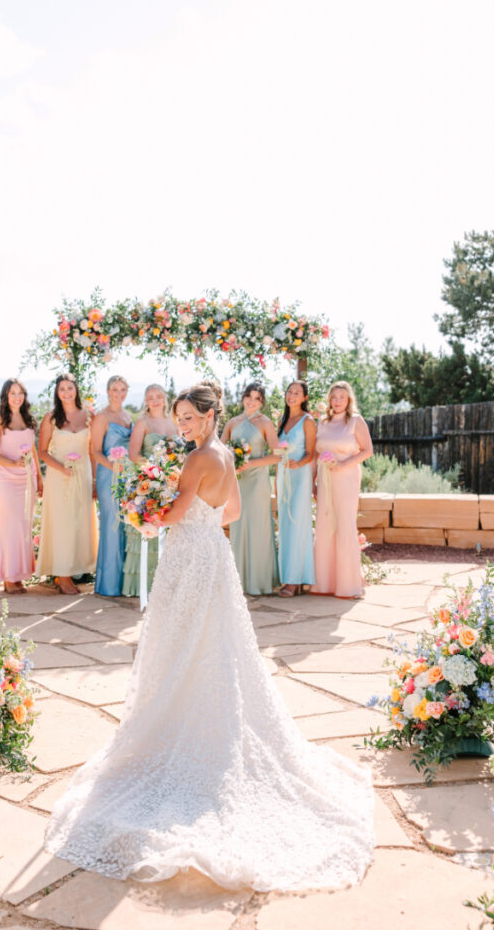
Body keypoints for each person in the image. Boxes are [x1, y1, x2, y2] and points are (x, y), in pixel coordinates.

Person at [45, 380, 374, 893]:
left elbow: (174, 514)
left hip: (188, 557)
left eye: (189, 418)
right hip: (213, 556)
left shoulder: (198, 459)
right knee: (213, 647)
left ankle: (184, 727)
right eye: (178, 417)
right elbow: (236, 513)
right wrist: (188, 517)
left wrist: (143, 513)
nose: (182, 425)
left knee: (181, 645)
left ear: (209, 415)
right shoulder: (222, 453)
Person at [35, 373, 98, 594]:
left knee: (80, 523)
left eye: (69, 388)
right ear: (57, 392)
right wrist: (61, 468)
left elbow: (92, 451)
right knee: (62, 524)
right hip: (58, 477)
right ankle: (62, 577)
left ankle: (76, 570)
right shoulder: (50, 418)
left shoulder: (90, 416)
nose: (66, 392)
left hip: (82, 476)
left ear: (76, 390)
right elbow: (42, 452)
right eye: (62, 389)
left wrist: (94, 481)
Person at [311, 380, 373, 599]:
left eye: (342, 397)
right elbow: (316, 454)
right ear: (329, 399)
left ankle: (347, 584)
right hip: (325, 479)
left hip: (346, 478)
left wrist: (343, 465)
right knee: (325, 524)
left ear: (348, 400)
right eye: (334, 397)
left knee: (345, 524)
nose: (337, 401)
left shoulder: (355, 421)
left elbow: (367, 450)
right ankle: (325, 583)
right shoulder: (323, 421)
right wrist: (313, 480)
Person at [220, 382, 279, 595]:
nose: (251, 401)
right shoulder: (232, 422)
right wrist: (231, 463)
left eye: (256, 398)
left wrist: (250, 463)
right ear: (243, 397)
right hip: (236, 480)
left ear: (262, 401)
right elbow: (220, 450)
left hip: (257, 481)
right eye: (248, 396)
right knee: (237, 524)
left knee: (257, 527)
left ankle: (259, 581)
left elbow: (277, 455)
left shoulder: (265, 423)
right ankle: (238, 581)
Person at [0, 378, 42, 595]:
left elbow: (33, 451)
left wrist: (39, 477)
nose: (17, 397)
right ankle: (9, 578)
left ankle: (20, 576)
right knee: (9, 528)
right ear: (5, 396)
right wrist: (12, 463)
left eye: (20, 393)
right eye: (12, 393)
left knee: (23, 528)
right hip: (5, 480)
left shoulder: (29, 420)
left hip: (27, 480)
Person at [122, 384, 177, 598]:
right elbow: (134, 454)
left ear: (164, 399)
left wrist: (171, 474)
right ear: (146, 401)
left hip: (170, 483)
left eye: (158, 396)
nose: (154, 400)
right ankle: (142, 585)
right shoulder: (143, 423)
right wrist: (154, 472)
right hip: (148, 481)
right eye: (150, 397)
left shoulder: (173, 422)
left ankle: (166, 584)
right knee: (148, 526)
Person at [91, 374, 132, 596]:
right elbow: (95, 451)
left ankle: (125, 583)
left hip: (126, 478)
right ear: (108, 391)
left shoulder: (128, 416)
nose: (118, 393)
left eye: (122, 389)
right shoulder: (101, 417)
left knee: (126, 526)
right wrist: (112, 467)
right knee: (111, 525)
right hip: (109, 476)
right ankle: (108, 584)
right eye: (115, 389)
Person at [276, 381, 316, 596]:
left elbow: (312, 452)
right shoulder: (283, 420)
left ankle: (294, 580)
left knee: (297, 524)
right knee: (284, 525)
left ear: (304, 398)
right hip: (283, 475)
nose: (291, 395)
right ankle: (286, 575)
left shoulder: (307, 421)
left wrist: (298, 464)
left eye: (297, 393)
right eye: (289, 392)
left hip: (300, 476)